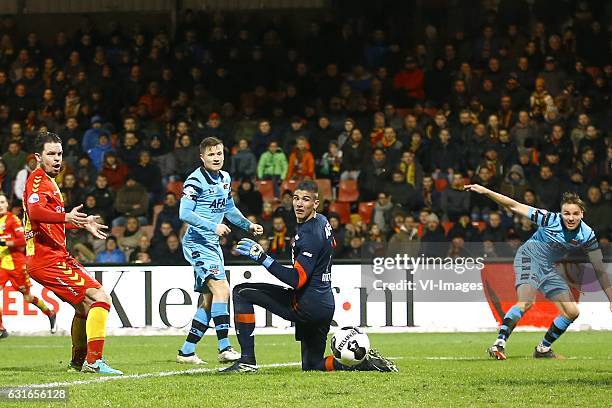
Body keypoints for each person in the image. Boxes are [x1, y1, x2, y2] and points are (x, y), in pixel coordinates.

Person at [222, 180, 397, 373]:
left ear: (315, 203)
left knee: (241, 292)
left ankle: (247, 361)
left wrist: (262, 257)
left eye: (305, 200)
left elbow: (296, 280)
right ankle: (362, 364)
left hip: (307, 304)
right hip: (324, 304)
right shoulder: (322, 221)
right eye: (296, 198)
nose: (299, 203)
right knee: (312, 366)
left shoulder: (310, 233)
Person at [464, 183, 612, 360]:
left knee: (572, 312)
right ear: (561, 213)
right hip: (528, 257)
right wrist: (486, 191)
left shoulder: (587, 235)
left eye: (575, 213)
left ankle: (542, 349)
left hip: (547, 267)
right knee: (526, 302)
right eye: (566, 213)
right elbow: (514, 206)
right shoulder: (549, 219)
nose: (571, 218)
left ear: (582, 214)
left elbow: (599, 268)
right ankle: (499, 344)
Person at [23, 132, 122, 375]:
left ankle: (78, 363)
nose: (57, 159)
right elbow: (35, 213)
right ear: (38, 157)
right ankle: (94, 361)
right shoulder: (37, 182)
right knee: (100, 298)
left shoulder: (50, 181)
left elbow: (49, 221)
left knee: (83, 309)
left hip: (55, 256)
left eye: (60, 154)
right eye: (51, 154)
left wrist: (79, 223)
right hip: (47, 259)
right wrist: (66, 217)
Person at [176, 136, 263, 365]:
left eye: (219, 154)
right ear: (202, 157)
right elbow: (184, 213)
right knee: (222, 290)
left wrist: (248, 225)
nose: (216, 158)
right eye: (211, 154)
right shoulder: (194, 181)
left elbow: (229, 208)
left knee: (208, 299)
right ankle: (224, 347)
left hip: (211, 244)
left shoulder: (225, 178)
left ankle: (186, 352)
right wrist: (212, 226)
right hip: (197, 242)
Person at [0, 193, 57, 338]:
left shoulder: (12, 220)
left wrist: (6, 243)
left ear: (7, 205)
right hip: (1, 266)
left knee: (28, 297)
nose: (0, 205)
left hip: (17, 266)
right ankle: (1, 329)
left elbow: (22, 241)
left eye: (2, 202)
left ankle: (50, 313)